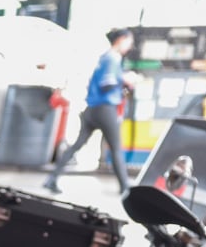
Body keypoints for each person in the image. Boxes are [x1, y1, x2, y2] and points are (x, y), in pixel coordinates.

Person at [45, 28, 137, 197]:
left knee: (77, 145)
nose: (130, 46)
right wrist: (125, 79)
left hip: (91, 109)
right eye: (129, 42)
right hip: (105, 109)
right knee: (116, 148)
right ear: (121, 39)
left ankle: (52, 178)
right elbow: (106, 84)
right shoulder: (112, 58)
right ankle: (125, 188)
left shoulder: (103, 58)